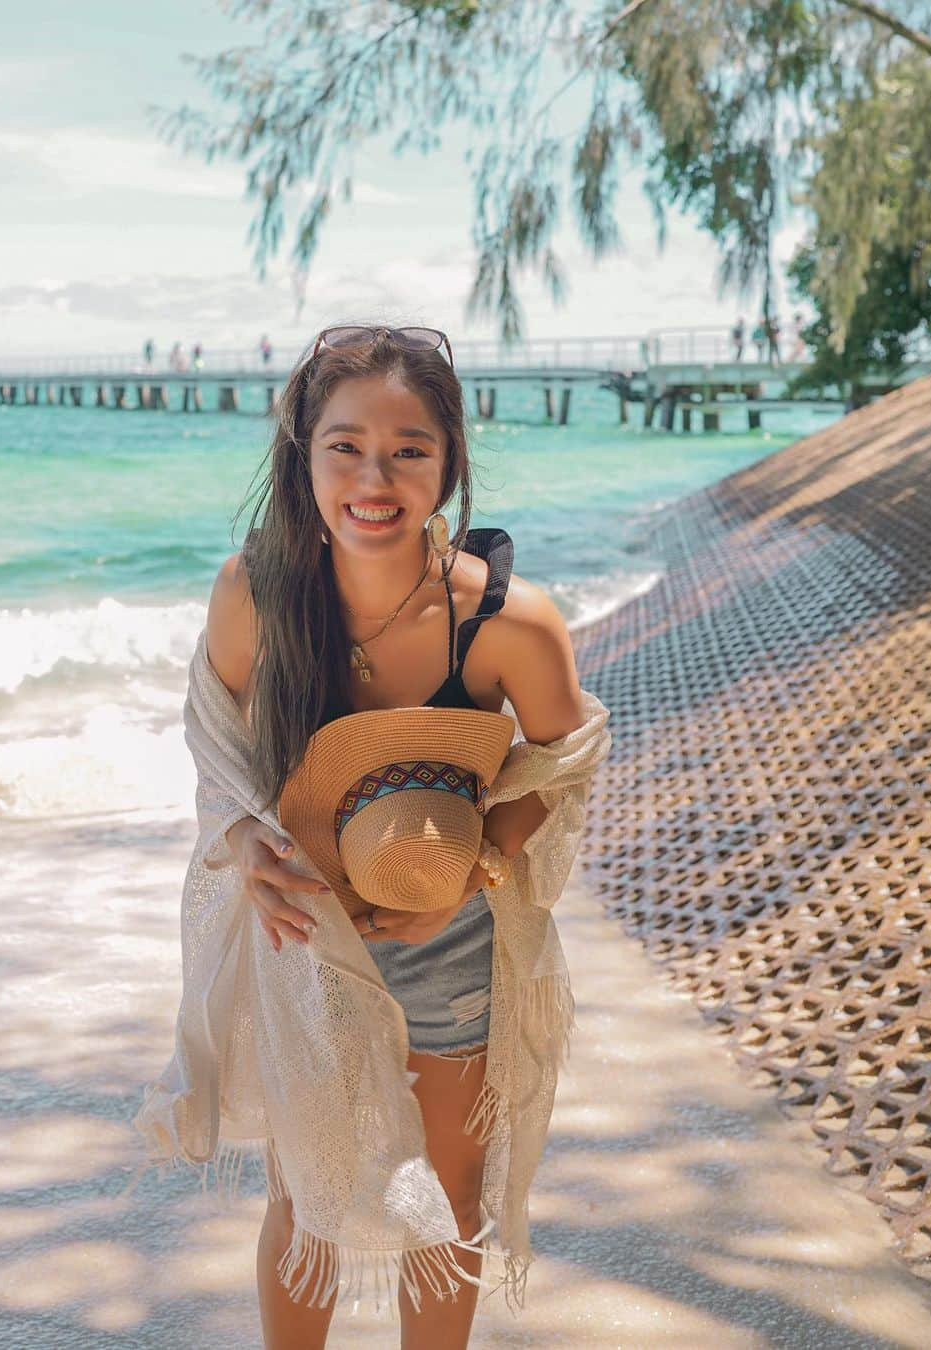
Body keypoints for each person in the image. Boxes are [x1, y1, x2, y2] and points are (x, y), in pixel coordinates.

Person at [135, 324, 610, 1347]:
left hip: (458, 945)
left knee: (449, 1197)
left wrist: (473, 864)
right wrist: (248, 852)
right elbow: (215, 747)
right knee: (304, 1193)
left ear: (450, 460)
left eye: (409, 449)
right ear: (302, 453)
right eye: (344, 445)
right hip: (303, 931)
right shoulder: (253, 594)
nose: (374, 476)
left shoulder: (509, 624)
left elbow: (569, 756)